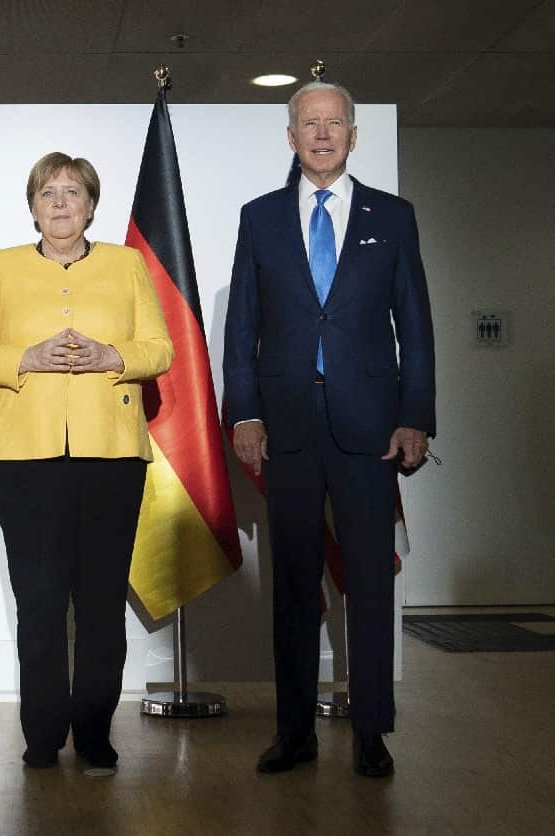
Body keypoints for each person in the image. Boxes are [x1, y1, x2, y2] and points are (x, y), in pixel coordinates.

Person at [223, 82, 435, 778]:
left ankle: (372, 733)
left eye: (333, 123)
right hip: (284, 426)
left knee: (370, 582)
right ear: (290, 137)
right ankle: (293, 732)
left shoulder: (392, 217)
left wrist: (415, 415)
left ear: (353, 134)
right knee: (291, 583)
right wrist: (244, 411)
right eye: (307, 123)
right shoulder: (259, 219)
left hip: (371, 427)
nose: (321, 134)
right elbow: (242, 327)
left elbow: (417, 326)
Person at [0, 153, 173, 771]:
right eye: (47, 193)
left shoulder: (127, 265)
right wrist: (28, 357)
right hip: (27, 459)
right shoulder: (3, 266)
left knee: (101, 602)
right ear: (32, 206)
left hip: (111, 457)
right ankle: (43, 734)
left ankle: (96, 732)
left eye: (72, 192)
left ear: (91, 205)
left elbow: (161, 348)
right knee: (41, 601)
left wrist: (112, 355)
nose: (59, 203)